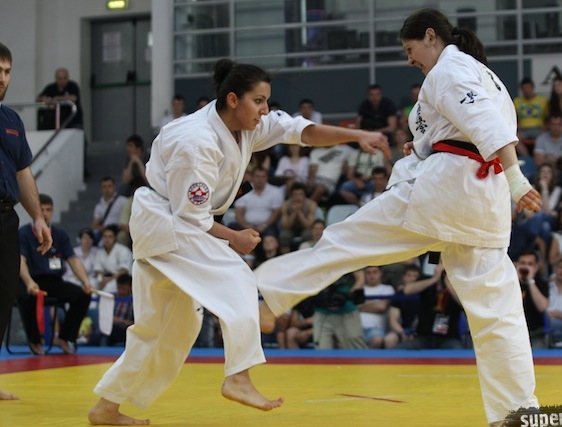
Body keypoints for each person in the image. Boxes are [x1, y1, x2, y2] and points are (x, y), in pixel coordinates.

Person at [255, 9, 542, 426]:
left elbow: (486, 124)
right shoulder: (481, 73)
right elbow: (459, 129)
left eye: (410, 49)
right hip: (483, 202)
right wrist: (424, 148)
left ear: (431, 36)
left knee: (347, 239)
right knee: (498, 313)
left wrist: (517, 179)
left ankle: (270, 296)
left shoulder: (449, 69)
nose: (409, 59)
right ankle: (517, 412)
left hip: (448, 189)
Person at [87, 58, 388, 425]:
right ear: (233, 99)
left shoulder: (245, 126)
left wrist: (357, 136)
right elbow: (192, 217)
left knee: (169, 328)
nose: (265, 110)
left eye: (266, 101)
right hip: (168, 222)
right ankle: (239, 376)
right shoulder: (196, 140)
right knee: (238, 278)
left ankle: (107, 406)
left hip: (172, 224)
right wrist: (234, 237)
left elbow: (300, 131)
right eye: (258, 101)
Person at [0, 42, 53, 400]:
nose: (3, 78)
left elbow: (23, 174)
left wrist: (37, 217)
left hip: (6, 217)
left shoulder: (11, 121)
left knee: (4, 295)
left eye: (7, 71)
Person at [18, 194, 93, 355]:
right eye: (42, 210)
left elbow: (72, 259)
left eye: (48, 210)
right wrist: (29, 282)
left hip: (53, 281)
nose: (45, 214)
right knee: (27, 296)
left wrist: (85, 281)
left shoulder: (60, 235)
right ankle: (35, 341)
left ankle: (64, 337)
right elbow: (20, 260)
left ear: (52, 211)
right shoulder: (23, 233)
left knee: (82, 295)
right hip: (29, 281)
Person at [394, 262, 464, 350]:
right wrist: (434, 279)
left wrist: (448, 282)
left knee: (458, 352)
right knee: (401, 350)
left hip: (449, 337)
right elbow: (407, 290)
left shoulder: (458, 283)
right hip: (424, 336)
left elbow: (463, 303)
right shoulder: (427, 280)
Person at [515, 250, 549, 350]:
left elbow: (543, 307)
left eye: (530, 264)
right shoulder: (508, 283)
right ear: (516, 265)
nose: (525, 267)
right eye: (523, 263)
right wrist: (516, 281)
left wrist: (530, 281)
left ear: (536, 267)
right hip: (512, 334)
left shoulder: (541, 283)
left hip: (535, 334)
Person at [358, 266, 395, 348]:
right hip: (357, 328)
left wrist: (362, 305)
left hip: (376, 328)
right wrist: (375, 303)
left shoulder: (387, 288)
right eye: (368, 273)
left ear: (381, 273)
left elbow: (382, 307)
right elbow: (355, 307)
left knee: (377, 340)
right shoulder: (359, 289)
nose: (372, 275)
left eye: (375, 272)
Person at [513, 77, 548, 156]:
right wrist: (517, 126)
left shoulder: (542, 100)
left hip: (539, 129)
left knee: (545, 137)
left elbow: (548, 117)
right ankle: (527, 158)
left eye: (528, 87)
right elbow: (511, 118)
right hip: (524, 130)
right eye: (524, 88)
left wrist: (545, 127)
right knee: (514, 138)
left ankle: (539, 157)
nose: (526, 90)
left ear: (533, 87)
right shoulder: (517, 101)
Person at [278, 182, 317, 253]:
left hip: (305, 228)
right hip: (290, 228)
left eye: (301, 194)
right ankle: (285, 257)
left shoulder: (311, 204)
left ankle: (308, 255)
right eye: (295, 194)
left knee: (308, 234)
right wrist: (294, 213)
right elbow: (285, 226)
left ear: (305, 195)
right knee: (284, 235)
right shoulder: (285, 204)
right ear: (291, 196)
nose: (298, 197)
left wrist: (299, 212)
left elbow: (309, 226)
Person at [94, 224, 133, 294]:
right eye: (105, 236)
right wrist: (100, 280)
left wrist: (108, 280)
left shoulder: (123, 250)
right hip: (106, 278)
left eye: (110, 237)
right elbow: (99, 270)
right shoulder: (100, 252)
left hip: (122, 279)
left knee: (108, 287)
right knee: (92, 284)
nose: (107, 239)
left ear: (115, 238)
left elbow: (123, 271)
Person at [92, 176, 127, 240]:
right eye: (104, 187)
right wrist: (102, 228)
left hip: (119, 230)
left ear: (114, 187)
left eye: (109, 186)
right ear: (101, 188)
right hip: (105, 232)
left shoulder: (123, 201)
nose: (107, 189)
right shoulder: (99, 206)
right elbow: (95, 225)